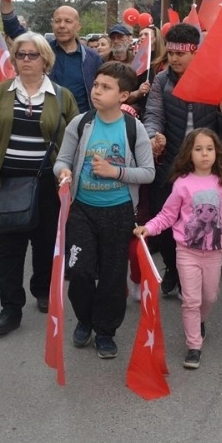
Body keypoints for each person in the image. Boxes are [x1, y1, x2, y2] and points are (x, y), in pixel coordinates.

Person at [0, 32, 79, 336]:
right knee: (9, 249)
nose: (27, 60)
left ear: (46, 60)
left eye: (33, 55)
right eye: (21, 55)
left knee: (45, 243)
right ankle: (10, 309)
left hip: (47, 182)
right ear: (14, 60)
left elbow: (73, 138)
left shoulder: (61, 95)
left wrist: (67, 172)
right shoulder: (2, 91)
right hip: (7, 181)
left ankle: (42, 289)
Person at [135, 129, 222, 370]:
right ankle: (194, 346)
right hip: (186, 252)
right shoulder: (182, 184)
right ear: (188, 154)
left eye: (209, 149)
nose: (204, 154)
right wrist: (149, 228)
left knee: (210, 296)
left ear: (217, 153)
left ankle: (199, 320)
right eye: (198, 149)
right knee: (191, 300)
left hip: (214, 253)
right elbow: (167, 215)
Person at [55, 61, 156, 359]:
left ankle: (105, 331)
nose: (97, 91)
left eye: (106, 87)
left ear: (123, 96)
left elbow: (148, 172)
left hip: (119, 212)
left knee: (113, 277)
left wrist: (116, 173)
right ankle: (85, 320)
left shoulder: (132, 128)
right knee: (81, 272)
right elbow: (61, 160)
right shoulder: (81, 123)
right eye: (96, 85)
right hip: (83, 210)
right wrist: (64, 174)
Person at [142, 23, 222, 287]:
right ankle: (172, 268)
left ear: (196, 52)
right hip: (169, 162)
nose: (173, 59)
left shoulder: (217, 80)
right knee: (164, 219)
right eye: (171, 53)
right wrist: (153, 136)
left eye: (180, 54)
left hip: (205, 169)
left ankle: (193, 281)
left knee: (198, 222)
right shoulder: (162, 80)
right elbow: (153, 114)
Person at [0, 3, 101, 112]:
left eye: (68, 21)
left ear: (78, 26)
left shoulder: (93, 58)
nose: (62, 25)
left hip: (81, 122)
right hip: (47, 120)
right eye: (57, 21)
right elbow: (13, 29)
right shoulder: (41, 51)